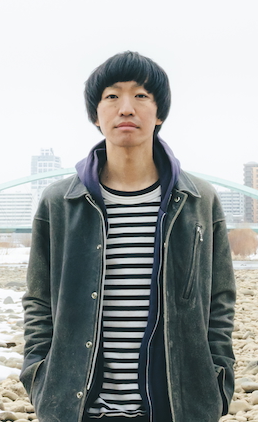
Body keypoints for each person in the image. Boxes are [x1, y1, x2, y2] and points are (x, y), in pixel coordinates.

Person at [21, 51, 236, 422]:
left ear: (159, 112)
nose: (126, 108)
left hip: (176, 410)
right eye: (112, 96)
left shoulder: (198, 201)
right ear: (96, 115)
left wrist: (217, 382)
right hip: (79, 410)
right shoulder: (60, 202)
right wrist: (39, 375)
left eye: (140, 95)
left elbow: (220, 300)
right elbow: (39, 301)